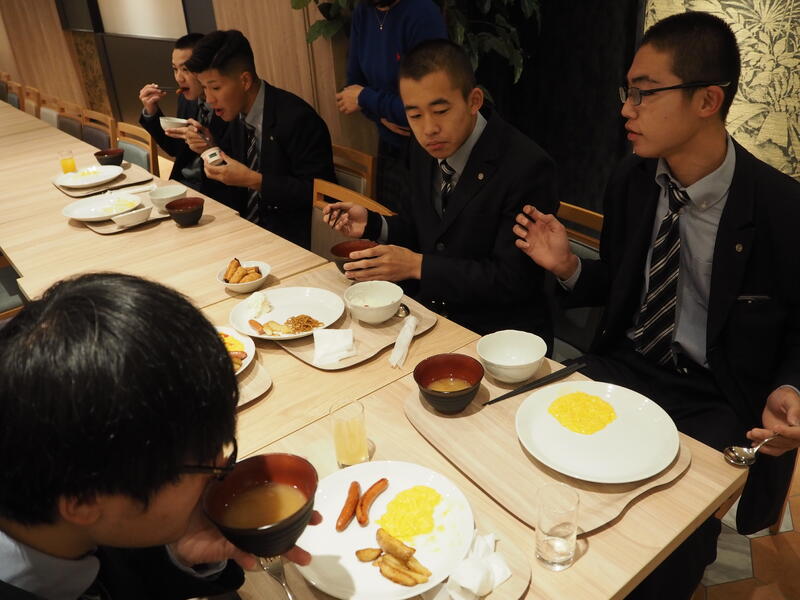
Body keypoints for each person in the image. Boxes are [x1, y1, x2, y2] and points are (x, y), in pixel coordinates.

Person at [513, 11, 800, 599]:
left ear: (707, 100)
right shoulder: (632, 179)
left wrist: (793, 386)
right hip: (627, 363)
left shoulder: (781, 207)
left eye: (644, 93)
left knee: (668, 544)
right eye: (627, 92)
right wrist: (568, 267)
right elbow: (623, 287)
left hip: (716, 395)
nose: (626, 108)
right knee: (533, 466)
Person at [0, 273, 318, 599]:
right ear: (84, 502)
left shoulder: (72, 489)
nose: (223, 469)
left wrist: (180, 554)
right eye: (204, 462)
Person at [325, 39, 557, 343]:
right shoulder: (423, 149)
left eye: (440, 110)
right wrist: (373, 223)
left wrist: (417, 266)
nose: (428, 129)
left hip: (499, 336)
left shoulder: (526, 166)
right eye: (415, 115)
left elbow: (513, 279)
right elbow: (421, 229)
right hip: (428, 316)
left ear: (474, 100)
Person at [184, 29, 336, 249]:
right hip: (243, 232)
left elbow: (322, 193)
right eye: (205, 88)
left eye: (215, 87)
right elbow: (228, 184)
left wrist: (255, 180)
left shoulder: (297, 118)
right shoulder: (229, 114)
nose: (208, 99)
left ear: (245, 80)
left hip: (291, 241)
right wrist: (210, 148)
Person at [337, 0, 447, 211]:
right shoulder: (363, 11)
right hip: (389, 144)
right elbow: (352, 89)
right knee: (389, 221)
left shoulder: (422, 13)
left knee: (425, 223)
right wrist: (382, 114)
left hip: (428, 146)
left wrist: (368, 100)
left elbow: (428, 107)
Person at [137, 33, 229, 196]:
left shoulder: (229, 106)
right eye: (175, 69)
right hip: (182, 183)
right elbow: (175, 149)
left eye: (185, 69)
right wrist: (152, 112)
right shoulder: (187, 100)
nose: (179, 78)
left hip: (215, 191)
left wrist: (209, 147)